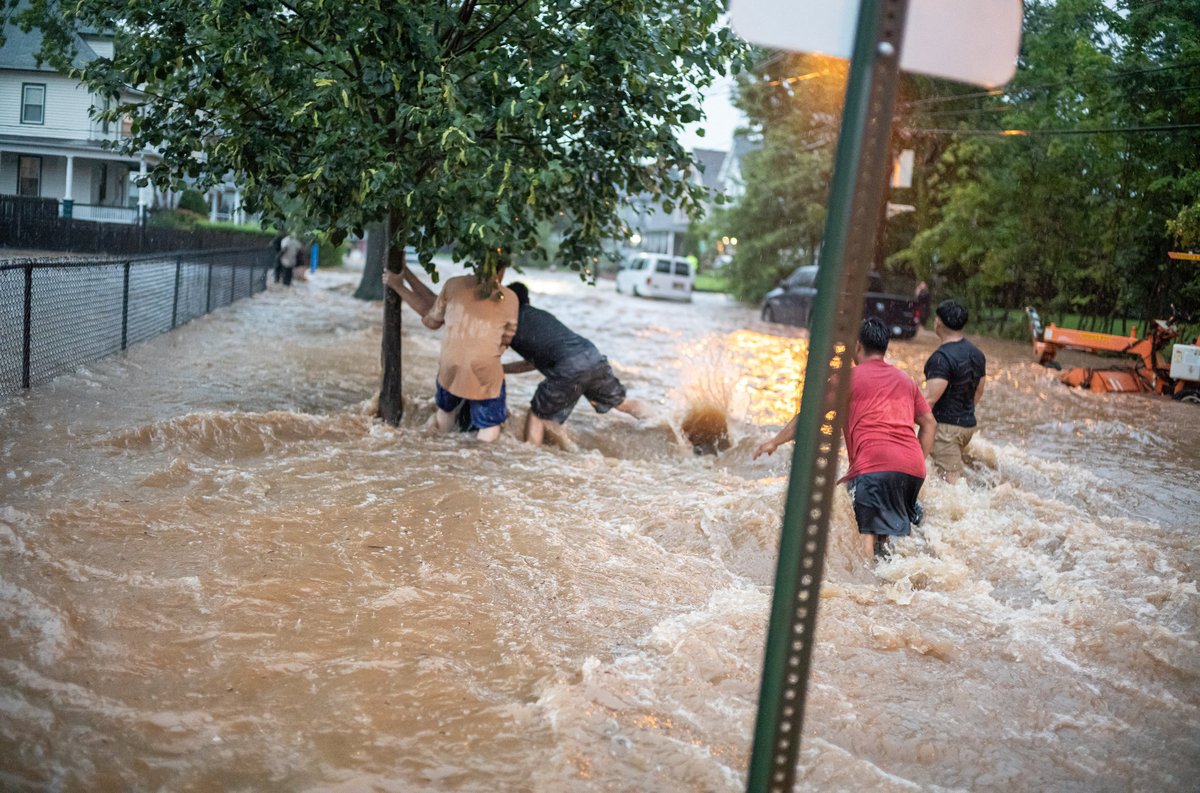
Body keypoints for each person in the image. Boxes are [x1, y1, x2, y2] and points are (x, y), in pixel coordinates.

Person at [753, 317, 936, 562]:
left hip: (873, 467)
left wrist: (775, 441)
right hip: (912, 470)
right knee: (890, 541)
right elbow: (929, 423)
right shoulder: (906, 381)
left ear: (857, 345)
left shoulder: (847, 378)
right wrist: (914, 462)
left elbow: (810, 415)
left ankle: (865, 583)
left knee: (861, 533)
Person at [502, 282, 651, 446]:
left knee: (537, 413)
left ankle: (531, 453)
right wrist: (503, 369)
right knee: (622, 403)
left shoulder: (510, 324)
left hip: (569, 366)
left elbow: (528, 364)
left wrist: (499, 369)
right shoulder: (541, 315)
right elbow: (532, 363)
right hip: (592, 355)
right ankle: (657, 421)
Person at [383, 264, 518, 442]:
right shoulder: (509, 297)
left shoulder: (454, 284)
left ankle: (441, 449)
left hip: (450, 364)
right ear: (503, 268)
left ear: (475, 263)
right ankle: (479, 456)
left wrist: (399, 284)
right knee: (489, 424)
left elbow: (432, 320)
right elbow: (507, 339)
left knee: (446, 410)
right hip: (484, 369)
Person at [923, 299, 986, 483]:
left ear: (938, 322)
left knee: (950, 484)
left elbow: (929, 400)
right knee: (952, 477)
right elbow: (979, 390)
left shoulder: (941, 359)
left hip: (946, 430)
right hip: (967, 426)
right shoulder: (977, 354)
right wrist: (963, 413)